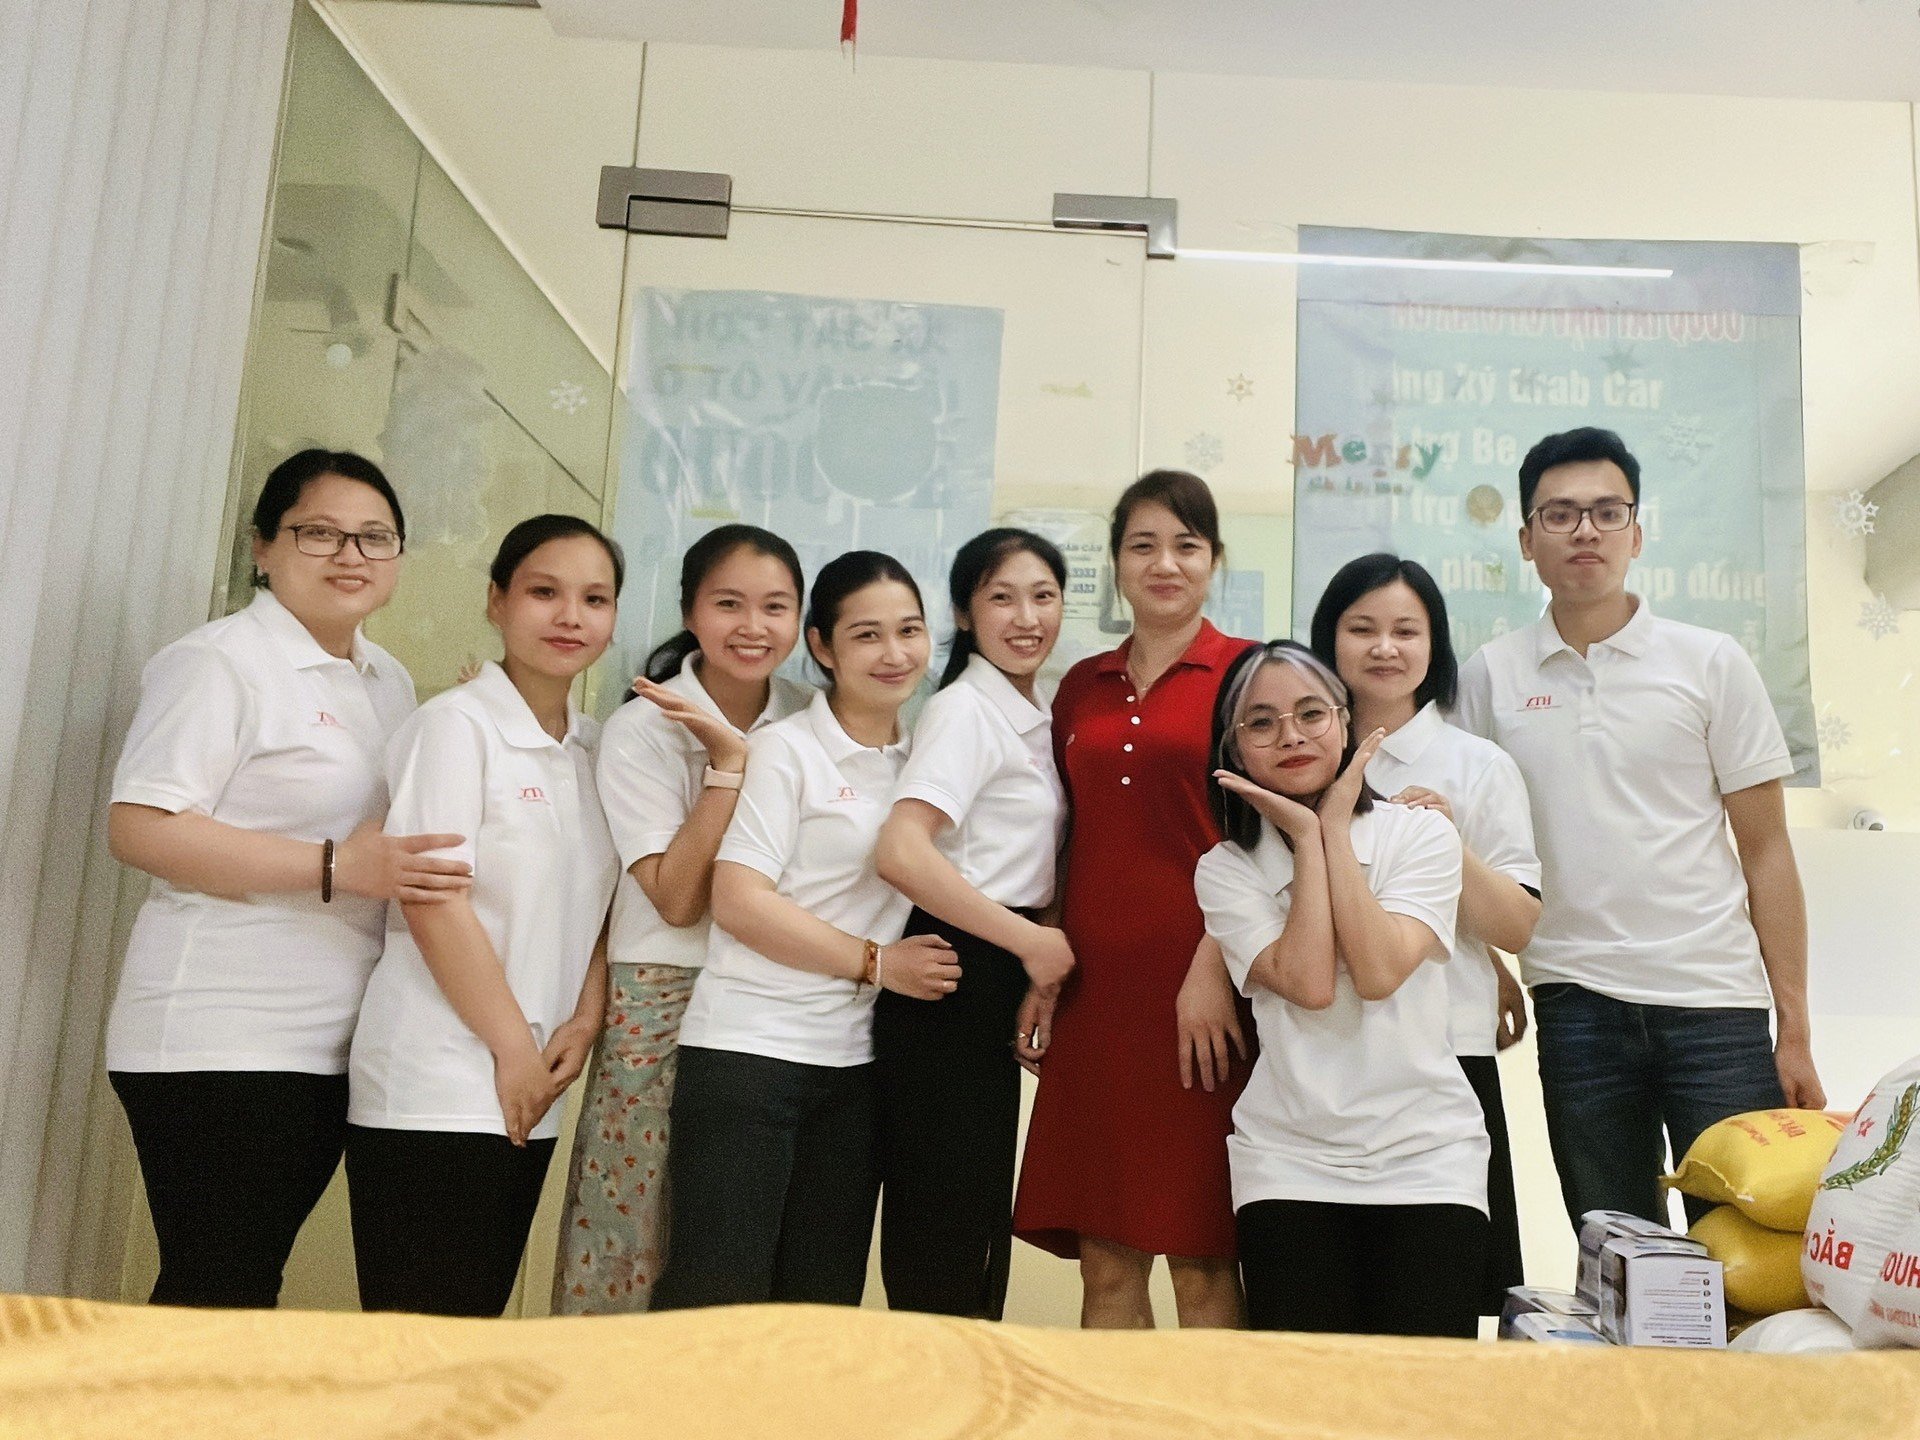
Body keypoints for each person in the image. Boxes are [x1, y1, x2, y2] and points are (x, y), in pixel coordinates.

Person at [104, 448, 468, 1309]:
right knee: (218, 1287)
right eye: (320, 533)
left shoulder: (387, 679)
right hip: (222, 1032)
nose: (351, 555)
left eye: (375, 537)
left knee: (241, 1286)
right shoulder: (219, 662)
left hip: (330, 1038)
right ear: (263, 547)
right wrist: (335, 865)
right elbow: (141, 826)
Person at [1454, 426, 1825, 1230]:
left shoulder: (1710, 662)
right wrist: (1489, 963)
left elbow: (1766, 851)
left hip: (1716, 1006)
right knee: (1615, 1254)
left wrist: (1793, 1029)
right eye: (1559, 514)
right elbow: (1463, 845)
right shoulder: (1490, 676)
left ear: (1637, 532)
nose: (1584, 530)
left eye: (1607, 511)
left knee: (1743, 1254)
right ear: (1526, 539)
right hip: (1575, 1005)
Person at [652, 551, 956, 1310]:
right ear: (822, 646)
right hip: (748, 1056)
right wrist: (878, 962)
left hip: (853, 1069)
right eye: (867, 635)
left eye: (909, 630)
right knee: (716, 1301)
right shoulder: (787, 750)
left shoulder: (924, 762)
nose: (894, 654)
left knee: (819, 1308)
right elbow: (739, 900)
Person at [345, 514, 623, 1317]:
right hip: (439, 1079)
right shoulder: (454, 727)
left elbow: (600, 906)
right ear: (497, 601)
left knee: (473, 1335)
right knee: (418, 1342)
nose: (570, 616)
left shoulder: (593, 749)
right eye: (544, 592)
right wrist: (512, 1051)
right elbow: (433, 900)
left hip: (533, 1083)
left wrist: (586, 1019)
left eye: (594, 599)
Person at [1011, 470, 1258, 1329]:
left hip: (1205, 998)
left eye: (1186, 545)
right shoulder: (1079, 684)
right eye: (1143, 545)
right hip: (1095, 999)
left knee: (1204, 1261)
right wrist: (1045, 969)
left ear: (1214, 559)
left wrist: (1213, 969)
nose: (1165, 564)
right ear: (1115, 562)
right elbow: (1065, 836)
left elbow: (1269, 843)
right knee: (1105, 1263)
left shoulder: (1249, 673)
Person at [552, 524, 809, 1314]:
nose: (753, 627)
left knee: (736, 1232)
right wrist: (728, 768)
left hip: (772, 990)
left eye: (776, 607)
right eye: (728, 604)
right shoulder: (642, 728)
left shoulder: (810, 718)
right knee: (631, 1220)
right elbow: (676, 898)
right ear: (691, 612)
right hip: (661, 989)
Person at [1197, 641, 1484, 1337]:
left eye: (1310, 713)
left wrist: (1330, 830)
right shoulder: (1225, 869)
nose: (1290, 736)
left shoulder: (1421, 835)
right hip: (1287, 1161)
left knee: (1422, 1388)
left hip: (1428, 1155)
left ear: (1346, 721)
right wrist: (1306, 841)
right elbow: (1309, 983)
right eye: (1261, 722)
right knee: (1305, 1389)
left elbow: (1380, 972)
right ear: (1233, 749)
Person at [1311, 553, 1541, 1317]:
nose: (1385, 647)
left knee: (1433, 1323)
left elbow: (1516, 924)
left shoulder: (1478, 766)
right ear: (1329, 637)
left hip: (1446, 1061)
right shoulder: (1299, 755)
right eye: (1362, 628)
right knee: (1317, 1324)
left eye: (1407, 631)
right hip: (1314, 1061)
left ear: (1435, 644)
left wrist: (1447, 842)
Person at [872, 528, 1074, 1318]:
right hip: (952, 969)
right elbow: (901, 851)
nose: (1026, 617)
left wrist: (1033, 960)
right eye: (1002, 598)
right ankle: (937, 1381)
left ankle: (968, 1377)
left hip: (996, 968)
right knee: (943, 1222)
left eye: (1043, 596)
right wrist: (1030, 941)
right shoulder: (963, 711)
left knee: (979, 1214)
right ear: (963, 611)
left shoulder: (1033, 710)